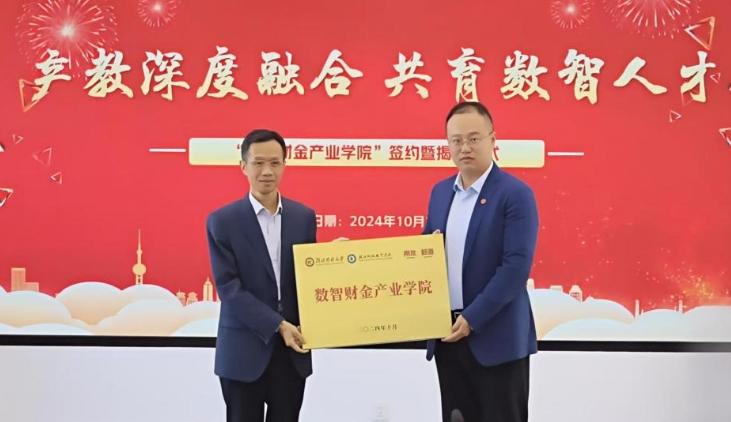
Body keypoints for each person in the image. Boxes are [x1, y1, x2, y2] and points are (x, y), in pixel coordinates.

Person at [423, 102, 539, 422]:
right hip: (449, 337)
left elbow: (515, 268)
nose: (465, 148)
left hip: (497, 339)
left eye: (474, 139)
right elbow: (422, 255)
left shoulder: (515, 194)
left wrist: (472, 318)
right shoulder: (440, 193)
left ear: (492, 139)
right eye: (456, 140)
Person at [206, 129, 316, 422]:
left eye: (275, 163)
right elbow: (229, 288)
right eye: (258, 163)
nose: (267, 171)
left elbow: (309, 275)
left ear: (284, 165)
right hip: (243, 351)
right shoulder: (222, 221)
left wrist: (337, 261)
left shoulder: (304, 217)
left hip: (291, 352)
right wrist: (277, 325)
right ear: (243, 166)